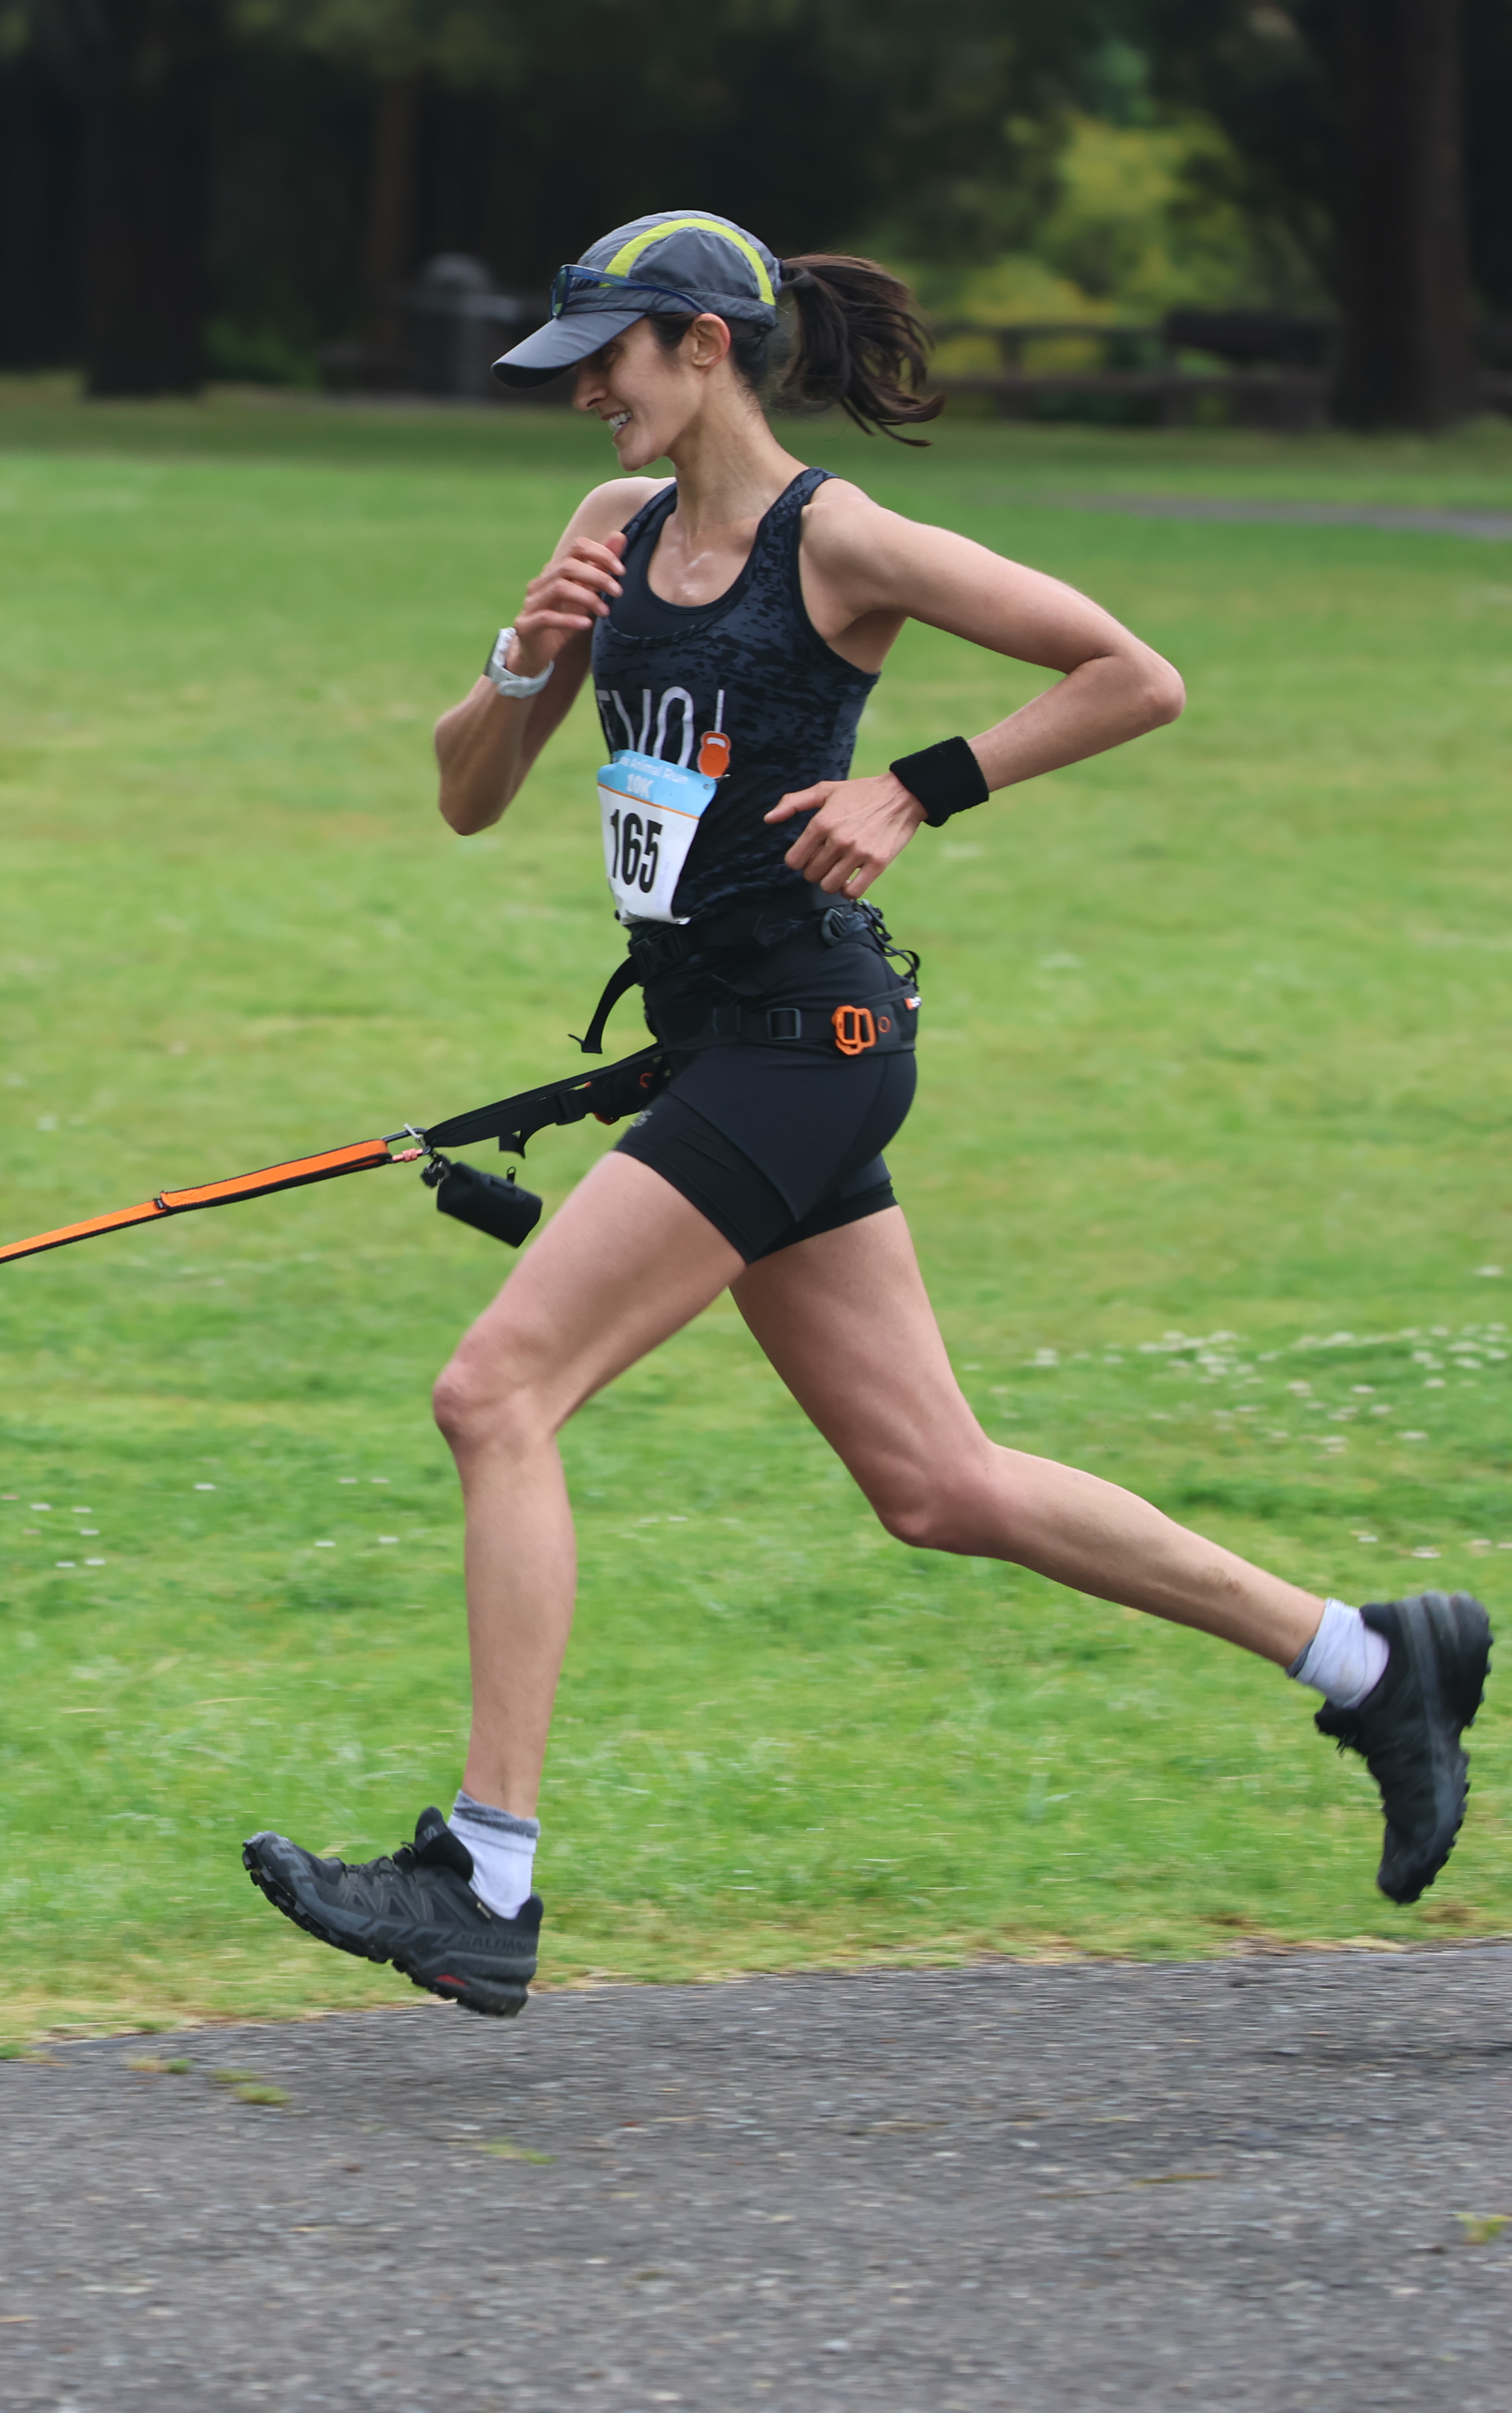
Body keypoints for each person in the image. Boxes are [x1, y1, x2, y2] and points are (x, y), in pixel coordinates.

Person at [241, 209, 1488, 2020]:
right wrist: (524, 657)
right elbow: (465, 799)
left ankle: (481, 1873)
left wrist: (918, 786)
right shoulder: (610, 536)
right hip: (718, 1038)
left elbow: (1133, 673)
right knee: (937, 1483)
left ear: (706, 349)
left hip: (806, 1043)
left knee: (495, 1390)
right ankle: (1373, 1660)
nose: (584, 393)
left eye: (609, 358)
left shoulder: (845, 546)